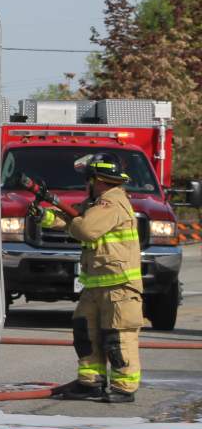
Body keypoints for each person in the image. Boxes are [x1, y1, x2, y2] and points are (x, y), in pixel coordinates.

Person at [35, 154, 143, 403]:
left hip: (119, 285)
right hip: (96, 284)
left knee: (118, 337)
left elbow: (85, 228)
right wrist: (44, 216)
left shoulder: (112, 203)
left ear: (98, 179)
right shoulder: (97, 204)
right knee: (85, 332)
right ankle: (91, 383)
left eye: (88, 180)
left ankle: (123, 387)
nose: (87, 184)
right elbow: (74, 218)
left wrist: (74, 221)